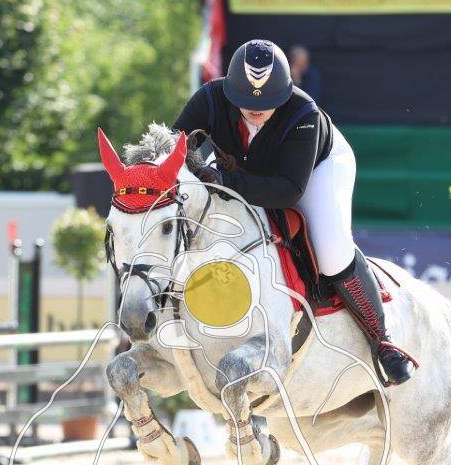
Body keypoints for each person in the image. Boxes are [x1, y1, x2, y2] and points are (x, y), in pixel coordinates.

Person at [174, 38, 415, 385]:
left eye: (266, 103)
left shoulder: (304, 114)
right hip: (244, 171)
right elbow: (175, 144)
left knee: (331, 252)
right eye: (245, 101)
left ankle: (383, 340)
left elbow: (289, 191)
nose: (255, 110)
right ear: (230, 91)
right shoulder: (210, 97)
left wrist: (223, 180)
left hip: (315, 170)